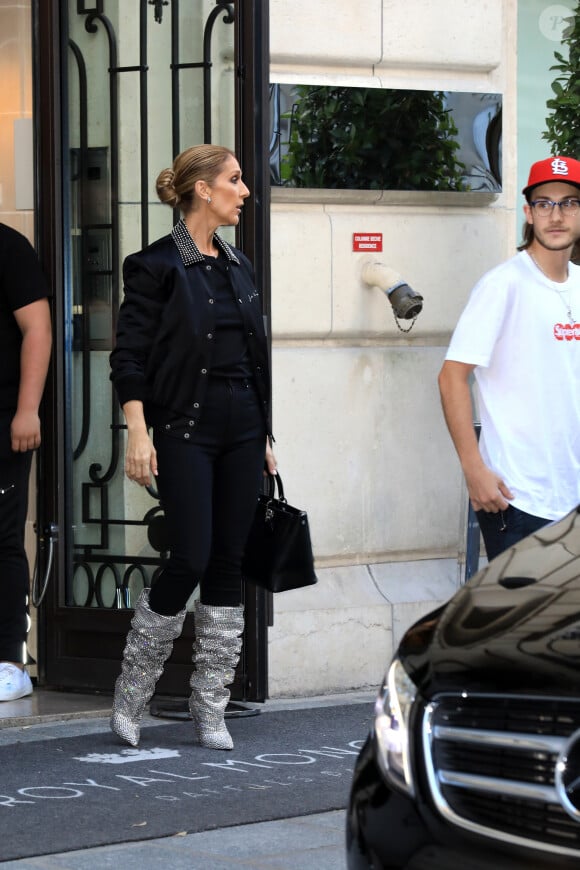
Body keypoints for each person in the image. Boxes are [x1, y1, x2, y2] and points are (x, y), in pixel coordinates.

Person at [109, 144, 276, 751]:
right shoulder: (154, 266)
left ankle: (211, 710)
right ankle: (132, 696)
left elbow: (253, 358)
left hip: (242, 432)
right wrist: (137, 429)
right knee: (191, 557)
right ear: (203, 190)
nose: (245, 190)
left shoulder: (240, 266)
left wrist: (265, 437)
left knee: (229, 562)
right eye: (235, 180)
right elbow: (128, 356)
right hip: (184, 428)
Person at [439, 155, 580, 562]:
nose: (556, 214)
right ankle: (234, 626)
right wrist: (474, 469)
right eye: (545, 203)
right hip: (518, 499)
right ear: (529, 213)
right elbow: (451, 377)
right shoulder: (504, 285)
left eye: (569, 202)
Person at [0, 224, 52, 701]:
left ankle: (10, 662)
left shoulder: (7, 246)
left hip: (4, 422)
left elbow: (38, 328)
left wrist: (27, 409)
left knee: (2, 538)